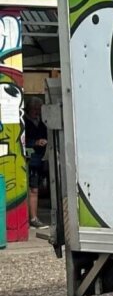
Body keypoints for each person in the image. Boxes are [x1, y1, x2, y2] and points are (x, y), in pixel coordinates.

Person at [24, 98, 48, 229]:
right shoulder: (25, 122)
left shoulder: (41, 122)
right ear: (29, 109)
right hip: (30, 159)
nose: (37, 112)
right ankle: (33, 218)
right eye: (35, 109)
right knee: (33, 189)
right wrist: (35, 142)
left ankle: (32, 217)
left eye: (39, 110)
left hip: (40, 158)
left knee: (35, 188)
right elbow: (21, 140)